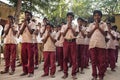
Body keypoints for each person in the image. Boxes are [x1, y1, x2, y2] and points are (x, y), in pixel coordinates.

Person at [86, 10, 108, 80]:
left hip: (101, 45)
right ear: (93, 17)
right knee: (93, 61)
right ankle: (94, 76)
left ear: (101, 16)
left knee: (101, 62)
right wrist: (95, 28)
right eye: (95, 15)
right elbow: (88, 35)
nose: (97, 17)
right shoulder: (90, 25)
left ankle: (101, 75)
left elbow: (105, 34)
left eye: (98, 15)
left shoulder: (104, 24)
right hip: (93, 45)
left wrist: (98, 27)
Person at [61, 12, 77, 79]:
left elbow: (75, 34)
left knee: (74, 58)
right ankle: (65, 73)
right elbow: (63, 35)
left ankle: (73, 74)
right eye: (68, 17)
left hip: (73, 42)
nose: (70, 18)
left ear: (73, 18)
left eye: (71, 17)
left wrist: (71, 28)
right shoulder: (64, 26)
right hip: (66, 42)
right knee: (65, 58)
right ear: (66, 18)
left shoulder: (75, 25)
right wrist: (68, 28)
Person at [19, 11, 35, 77]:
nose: (26, 16)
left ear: (30, 17)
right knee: (23, 57)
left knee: (30, 58)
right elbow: (20, 32)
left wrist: (27, 24)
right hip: (23, 42)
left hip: (30, 42)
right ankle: (25, 71)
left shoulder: (33, 23)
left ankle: (31, 72)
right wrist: (24, 24)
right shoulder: (23, 24)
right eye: (26, 15)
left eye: (28, 15)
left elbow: (31, 32)